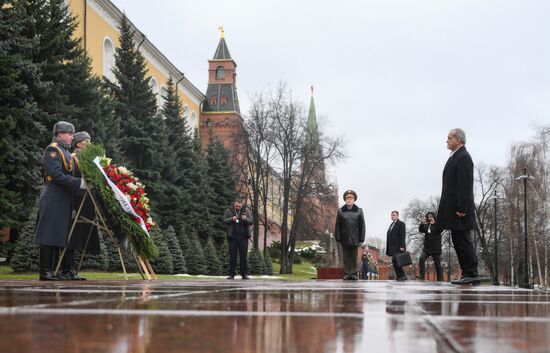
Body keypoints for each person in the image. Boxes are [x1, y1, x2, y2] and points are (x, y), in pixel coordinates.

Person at [34, 121, 85, 281]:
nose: (71, 137)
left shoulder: (66, 152)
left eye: (71, 134)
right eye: (69, 134)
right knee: (49, 234)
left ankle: (58, 271)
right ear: (60, 134)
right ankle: (45, 271)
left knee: (59, 235)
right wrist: (79, 183)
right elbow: (55, 174)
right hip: (53, 196)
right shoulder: (53, 150)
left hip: (63, 197)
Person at [437, 128, 479, 285]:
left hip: (460, 211)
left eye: (449, 138)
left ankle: (472, 273)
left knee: (463, 241)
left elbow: (465, 185)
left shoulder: (463, 157)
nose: (446, 140)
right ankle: (467, 272)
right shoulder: (455, 156)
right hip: (454, 210)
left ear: (458, 140)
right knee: (458, 240)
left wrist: (462, 208)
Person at [61, 131, 100, 280]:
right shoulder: (74, 158)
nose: (89, 144)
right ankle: (66, 269)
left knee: (79, 237)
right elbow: (70, 179)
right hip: (76, 200)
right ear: (78, 144)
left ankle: (71, 270)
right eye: (86, 142)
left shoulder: (87, 158)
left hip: (86, 200)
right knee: (71, 236)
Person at [334, 190, 365, 280]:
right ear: (345, 200)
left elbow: (362, 225)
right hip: (344, 237)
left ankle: (354, 274)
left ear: (354, 200)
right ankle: (347, 273)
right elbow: (338, 226)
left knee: (354, 257)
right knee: (346, 257)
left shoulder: (359, 211)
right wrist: (338, 237)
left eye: (351, 198)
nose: (349, 200)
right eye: (347, 198)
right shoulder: (340, 211)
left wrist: (361, 238)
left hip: (355, 237)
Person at [223, 197, 253, 279]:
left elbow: (251, 221)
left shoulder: (246, 211)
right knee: (232, 256)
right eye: (237, 206)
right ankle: (231, 274)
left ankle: (244, 274)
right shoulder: (228, 211)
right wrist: (231, 219)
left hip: (243, 237)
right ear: (234, 204)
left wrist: (246, 218)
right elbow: (224, 221)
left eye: (239, 206)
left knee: (243, 256)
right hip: (232, 236)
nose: (238, 208)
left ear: (242, 205)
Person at [417, 212, 443, 281]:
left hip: (436, 249)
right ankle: (421, 276)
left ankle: (440, 278)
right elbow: (421, 230)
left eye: (431, 216)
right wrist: (422, 224)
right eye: (428, 217)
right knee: (421, 259)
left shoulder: (438, 225)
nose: (429, 218)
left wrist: (435, 223)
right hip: (427, 248)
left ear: (434, 217)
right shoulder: (426, 225)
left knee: (437, 264)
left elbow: (440, 230)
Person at [386, 210, 407, 281]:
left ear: (398, 216)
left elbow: (402, 235)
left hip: (398, 246)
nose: (392, 216)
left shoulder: (401, 224)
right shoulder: (392, 224)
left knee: (397, 260)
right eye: (391, 215)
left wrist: (402, 246)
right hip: (392, 247)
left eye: (394, 215)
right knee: (394, 261)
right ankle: (399, 276)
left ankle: (403, 275)